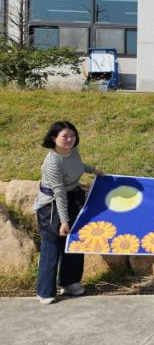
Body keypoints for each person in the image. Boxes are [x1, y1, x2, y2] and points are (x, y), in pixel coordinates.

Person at [33, 121, 104, 304]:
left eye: (72, 135)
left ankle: (70, 282)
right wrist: (64, 222)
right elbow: (58, 193)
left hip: (72, 197)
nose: (69, 139)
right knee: (52, 246)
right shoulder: (52, 163)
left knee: (74, 241)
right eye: (64, 136)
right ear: (53, 138)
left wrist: (92, 170)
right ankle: (45, 292)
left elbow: (77, 165)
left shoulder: (73, 151)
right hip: (52, 205)